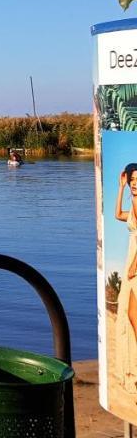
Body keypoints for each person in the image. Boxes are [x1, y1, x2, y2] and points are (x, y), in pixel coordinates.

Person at [114, 164, 137, 394]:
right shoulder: (133, 203)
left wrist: (133, 265)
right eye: (132, 178)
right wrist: (120, 189)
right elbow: (117, 215)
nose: (135, 182)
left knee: (132, 315)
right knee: (130, 315)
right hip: (132, 259)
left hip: (135, 263)